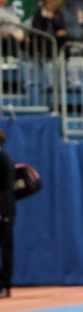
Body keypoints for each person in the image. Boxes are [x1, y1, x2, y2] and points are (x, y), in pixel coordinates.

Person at [0, 128, 15, 298]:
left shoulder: (5, 161)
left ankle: (6, 285)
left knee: (6, 248)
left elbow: (7, 190)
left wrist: (3, 213)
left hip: (5, 212)